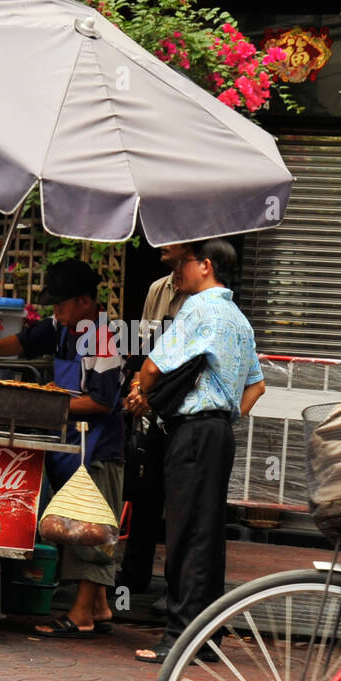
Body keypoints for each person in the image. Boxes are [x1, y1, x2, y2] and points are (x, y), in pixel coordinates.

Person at [0, 259, 124, 636]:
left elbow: (102, 401)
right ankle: (99, 606)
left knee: (90, 528)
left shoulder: (103, 337)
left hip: (97, 447)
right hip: (70, 443)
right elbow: (26, 341)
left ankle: (81, 615)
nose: (55, 311)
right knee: (69, 524)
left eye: (61, 303)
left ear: (84, 301)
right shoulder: (63, 327)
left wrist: (44, 403)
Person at [125, 239, 266, 663]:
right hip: (216, 433)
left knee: (185, 536)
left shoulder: (200, 308)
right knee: (206, 536)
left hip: (194, 432)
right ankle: (204, 638)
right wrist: (223, 418)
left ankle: (178, 639)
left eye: (184, 264)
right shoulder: (239, 319)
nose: (177, 272)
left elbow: (153, 366)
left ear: (205, 266)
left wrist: (139, 391)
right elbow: (257, 385)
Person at [118, 243, 189, 595]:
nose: (161, 243)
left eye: (170, 238)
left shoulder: (203, 299)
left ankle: (177, 589)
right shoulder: (157, 290)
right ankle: (133, 580)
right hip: (152, 402)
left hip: (183, 408)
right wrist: (137, 388)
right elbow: (145, 348)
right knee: (145, 493)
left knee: (180, 503)